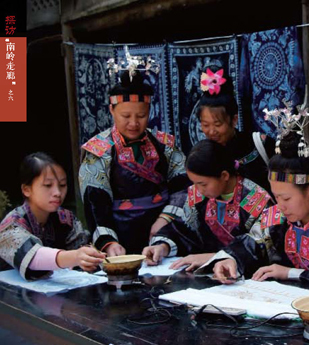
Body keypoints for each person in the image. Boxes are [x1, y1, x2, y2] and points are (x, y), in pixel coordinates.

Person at [205, 110, 309, 291]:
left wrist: (291, 273)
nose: (280, 206)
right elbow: (252, 244)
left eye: (286, 198)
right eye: (276, 197)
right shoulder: (277, 216)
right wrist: (231, 259)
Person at [79, 68, 190, 256]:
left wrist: (165, 220)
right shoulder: (99, 150)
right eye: (126, 116)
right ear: (112, 110)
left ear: (149, 111)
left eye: (141, 116)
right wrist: (108, 242)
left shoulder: (164, 145)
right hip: (119, 235)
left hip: (163, 231)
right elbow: (95, 203)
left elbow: (184, 187)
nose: (133, 123)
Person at [142, 139, 272, 271]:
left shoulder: (256, 199)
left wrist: (216, 257)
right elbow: (183, 230)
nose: (198, 189)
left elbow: (261, 244)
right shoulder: (198, 195)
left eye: (203, 184)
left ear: (224, 175)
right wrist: (163, 247)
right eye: (194, 183)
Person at [0, 153, 105, 279]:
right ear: (27, 189)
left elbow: (82, 247)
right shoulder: (11, 224)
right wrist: (75, 257)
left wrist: (91, 257)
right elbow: (32, 258)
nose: (57, 193)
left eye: (62, 185)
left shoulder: (65, 219)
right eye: (48, 185)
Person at [196, 67, 275, 195]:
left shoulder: (260, 144)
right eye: (205, 125)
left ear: (234, 120)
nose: (211, 131)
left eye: (217, 124)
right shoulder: (203, 156)